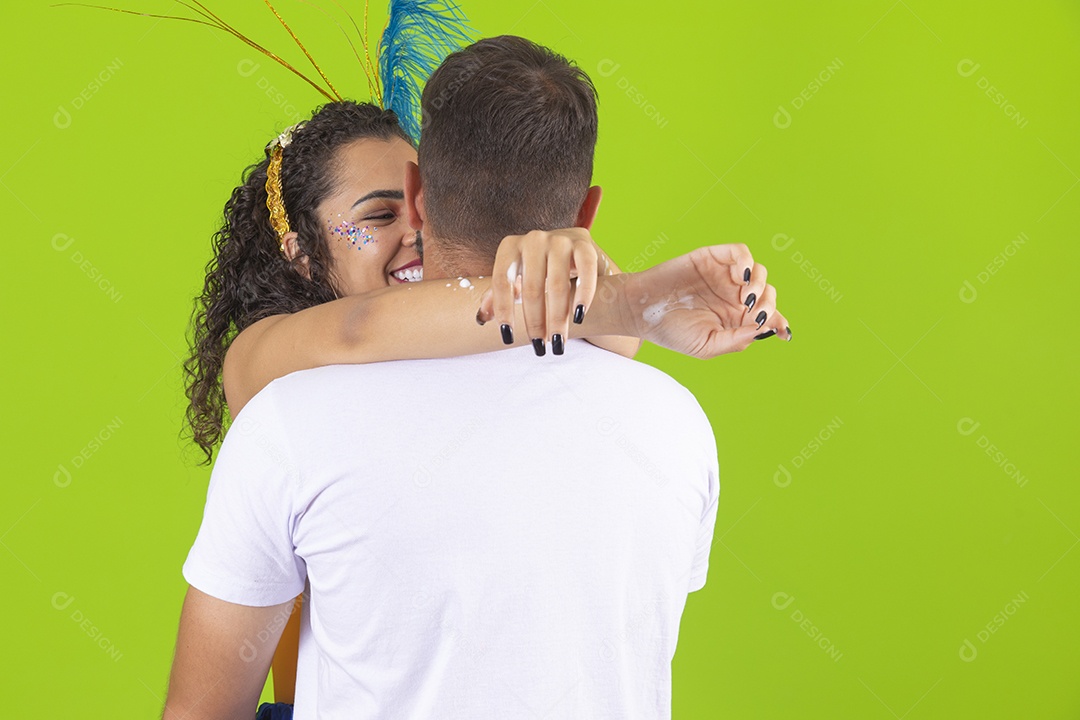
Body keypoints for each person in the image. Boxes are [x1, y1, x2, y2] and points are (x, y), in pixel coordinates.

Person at [165, 35, 789, 719]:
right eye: (375, 218)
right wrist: (626, 297)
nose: (414, 235)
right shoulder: (271, 367)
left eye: (411, 209)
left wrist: (574, 276)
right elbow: (362, 329)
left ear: (426, 195)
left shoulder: (616, 381)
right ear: (301, 253)